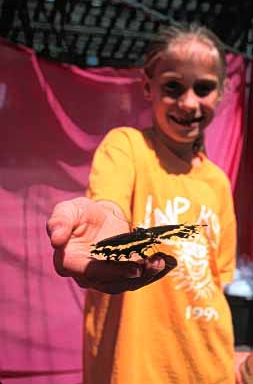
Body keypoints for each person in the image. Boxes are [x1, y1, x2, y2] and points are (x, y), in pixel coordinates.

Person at [47, 23, 237, 384]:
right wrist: (108, 222)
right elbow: (110, 203)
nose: (188, 102)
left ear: (222, 92)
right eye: (173, 87)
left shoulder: (218, 183)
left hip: (211, 368)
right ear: (148, 87)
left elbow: (218, 280)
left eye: (204, 88)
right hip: (134, 371)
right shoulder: (127, 148)